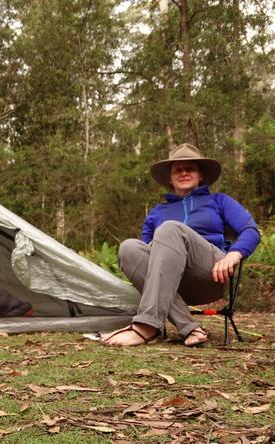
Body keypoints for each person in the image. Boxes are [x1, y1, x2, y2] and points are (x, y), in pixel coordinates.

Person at [101, 143, 261, 347]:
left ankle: (147, 327)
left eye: (190, 168)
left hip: (209, 272)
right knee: (128, 248)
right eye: (178, 169)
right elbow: (144, 257)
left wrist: (234, 254)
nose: (184, 172)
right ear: (170, 177)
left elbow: (251, 230)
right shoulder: (157, 212)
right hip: (169, 281)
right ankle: (188, 326)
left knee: (170, 229)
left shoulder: (219, 201)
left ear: (201, 175)